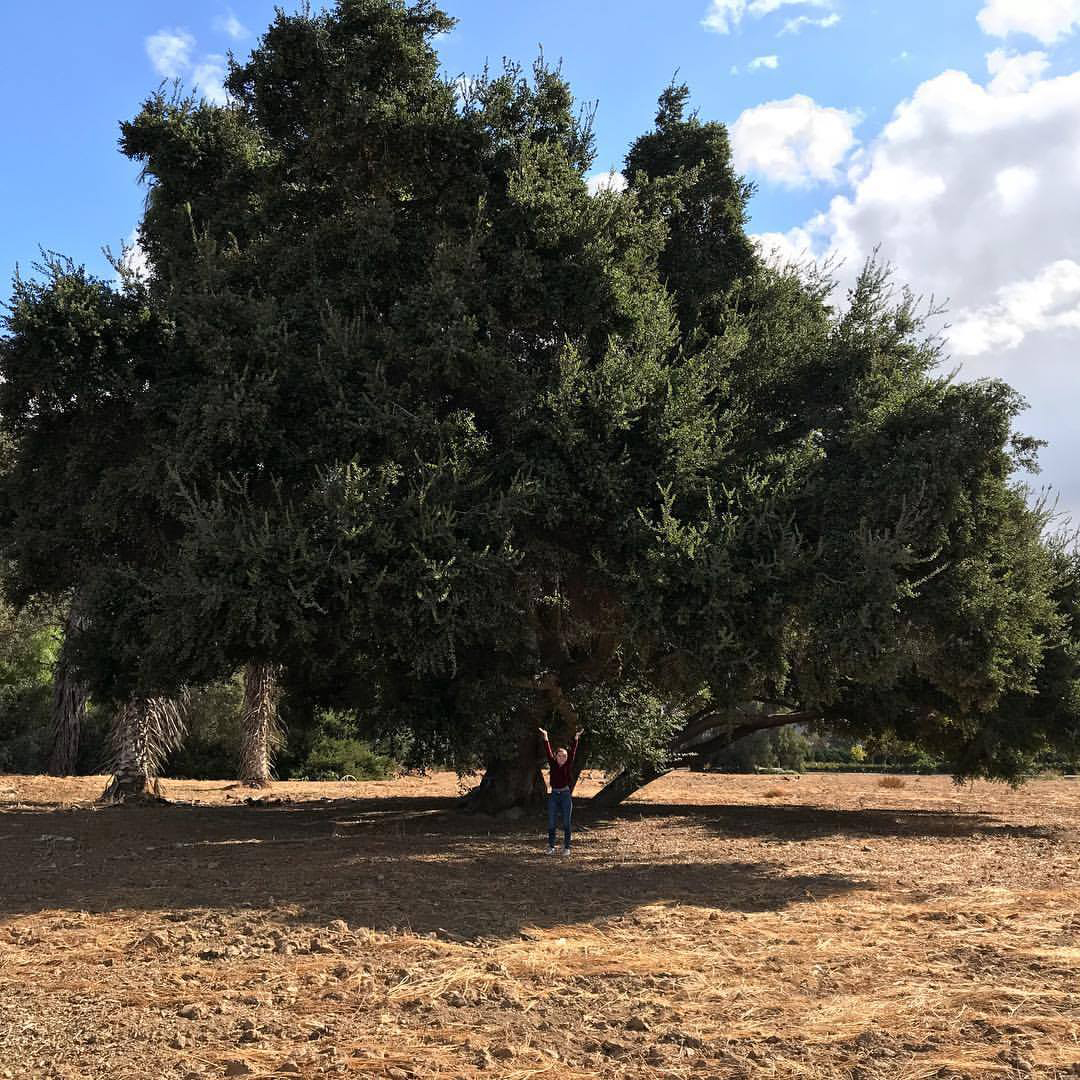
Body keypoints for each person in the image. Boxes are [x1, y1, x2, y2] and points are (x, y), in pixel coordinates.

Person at [539, 726, 582, 855]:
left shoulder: (568, 764)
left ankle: (567, 848)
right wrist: (545, 737)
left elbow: (573, 751)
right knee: (551, 823)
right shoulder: (552, 763)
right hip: (554, 795)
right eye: (560, 756)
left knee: (566, 823)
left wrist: (576, 738)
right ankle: (551, 847)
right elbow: (548, 751)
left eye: (564, 756)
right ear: (556, 756)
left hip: (565, 795)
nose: (562, 758)